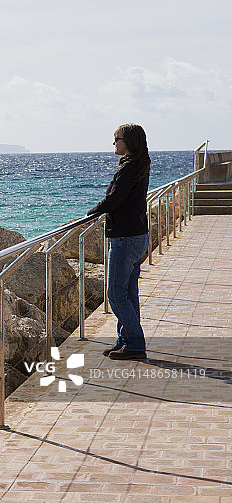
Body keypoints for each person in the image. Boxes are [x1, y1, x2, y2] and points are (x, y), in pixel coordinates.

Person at [87, 123, 151, 360]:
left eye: (117, 139)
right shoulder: (138, 166)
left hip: (125, 238)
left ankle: (135, 343)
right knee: (128, 292)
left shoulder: (129, 168)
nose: (114, 143)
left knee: (115, 293)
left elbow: (114, 200)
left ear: (129, 142)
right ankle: (125, 340)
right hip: (137, 235)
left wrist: (91, 213)